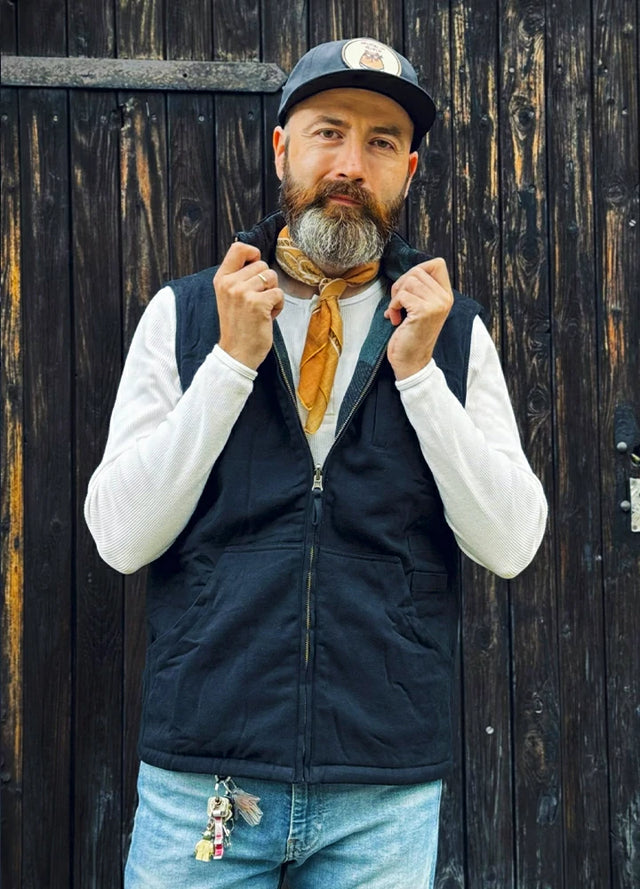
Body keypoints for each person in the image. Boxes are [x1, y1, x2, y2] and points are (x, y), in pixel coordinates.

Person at [85, 37, 547, 889]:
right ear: (282, 148)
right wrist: (228, 363)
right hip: (206, 778)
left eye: (378, 142)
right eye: (328, 131)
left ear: (407, 169)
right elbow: (120, 535)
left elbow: (512, 542)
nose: (349, 163)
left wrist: (418, 377)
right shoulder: (186, 315)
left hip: (383, 792)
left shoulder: (454, 334)